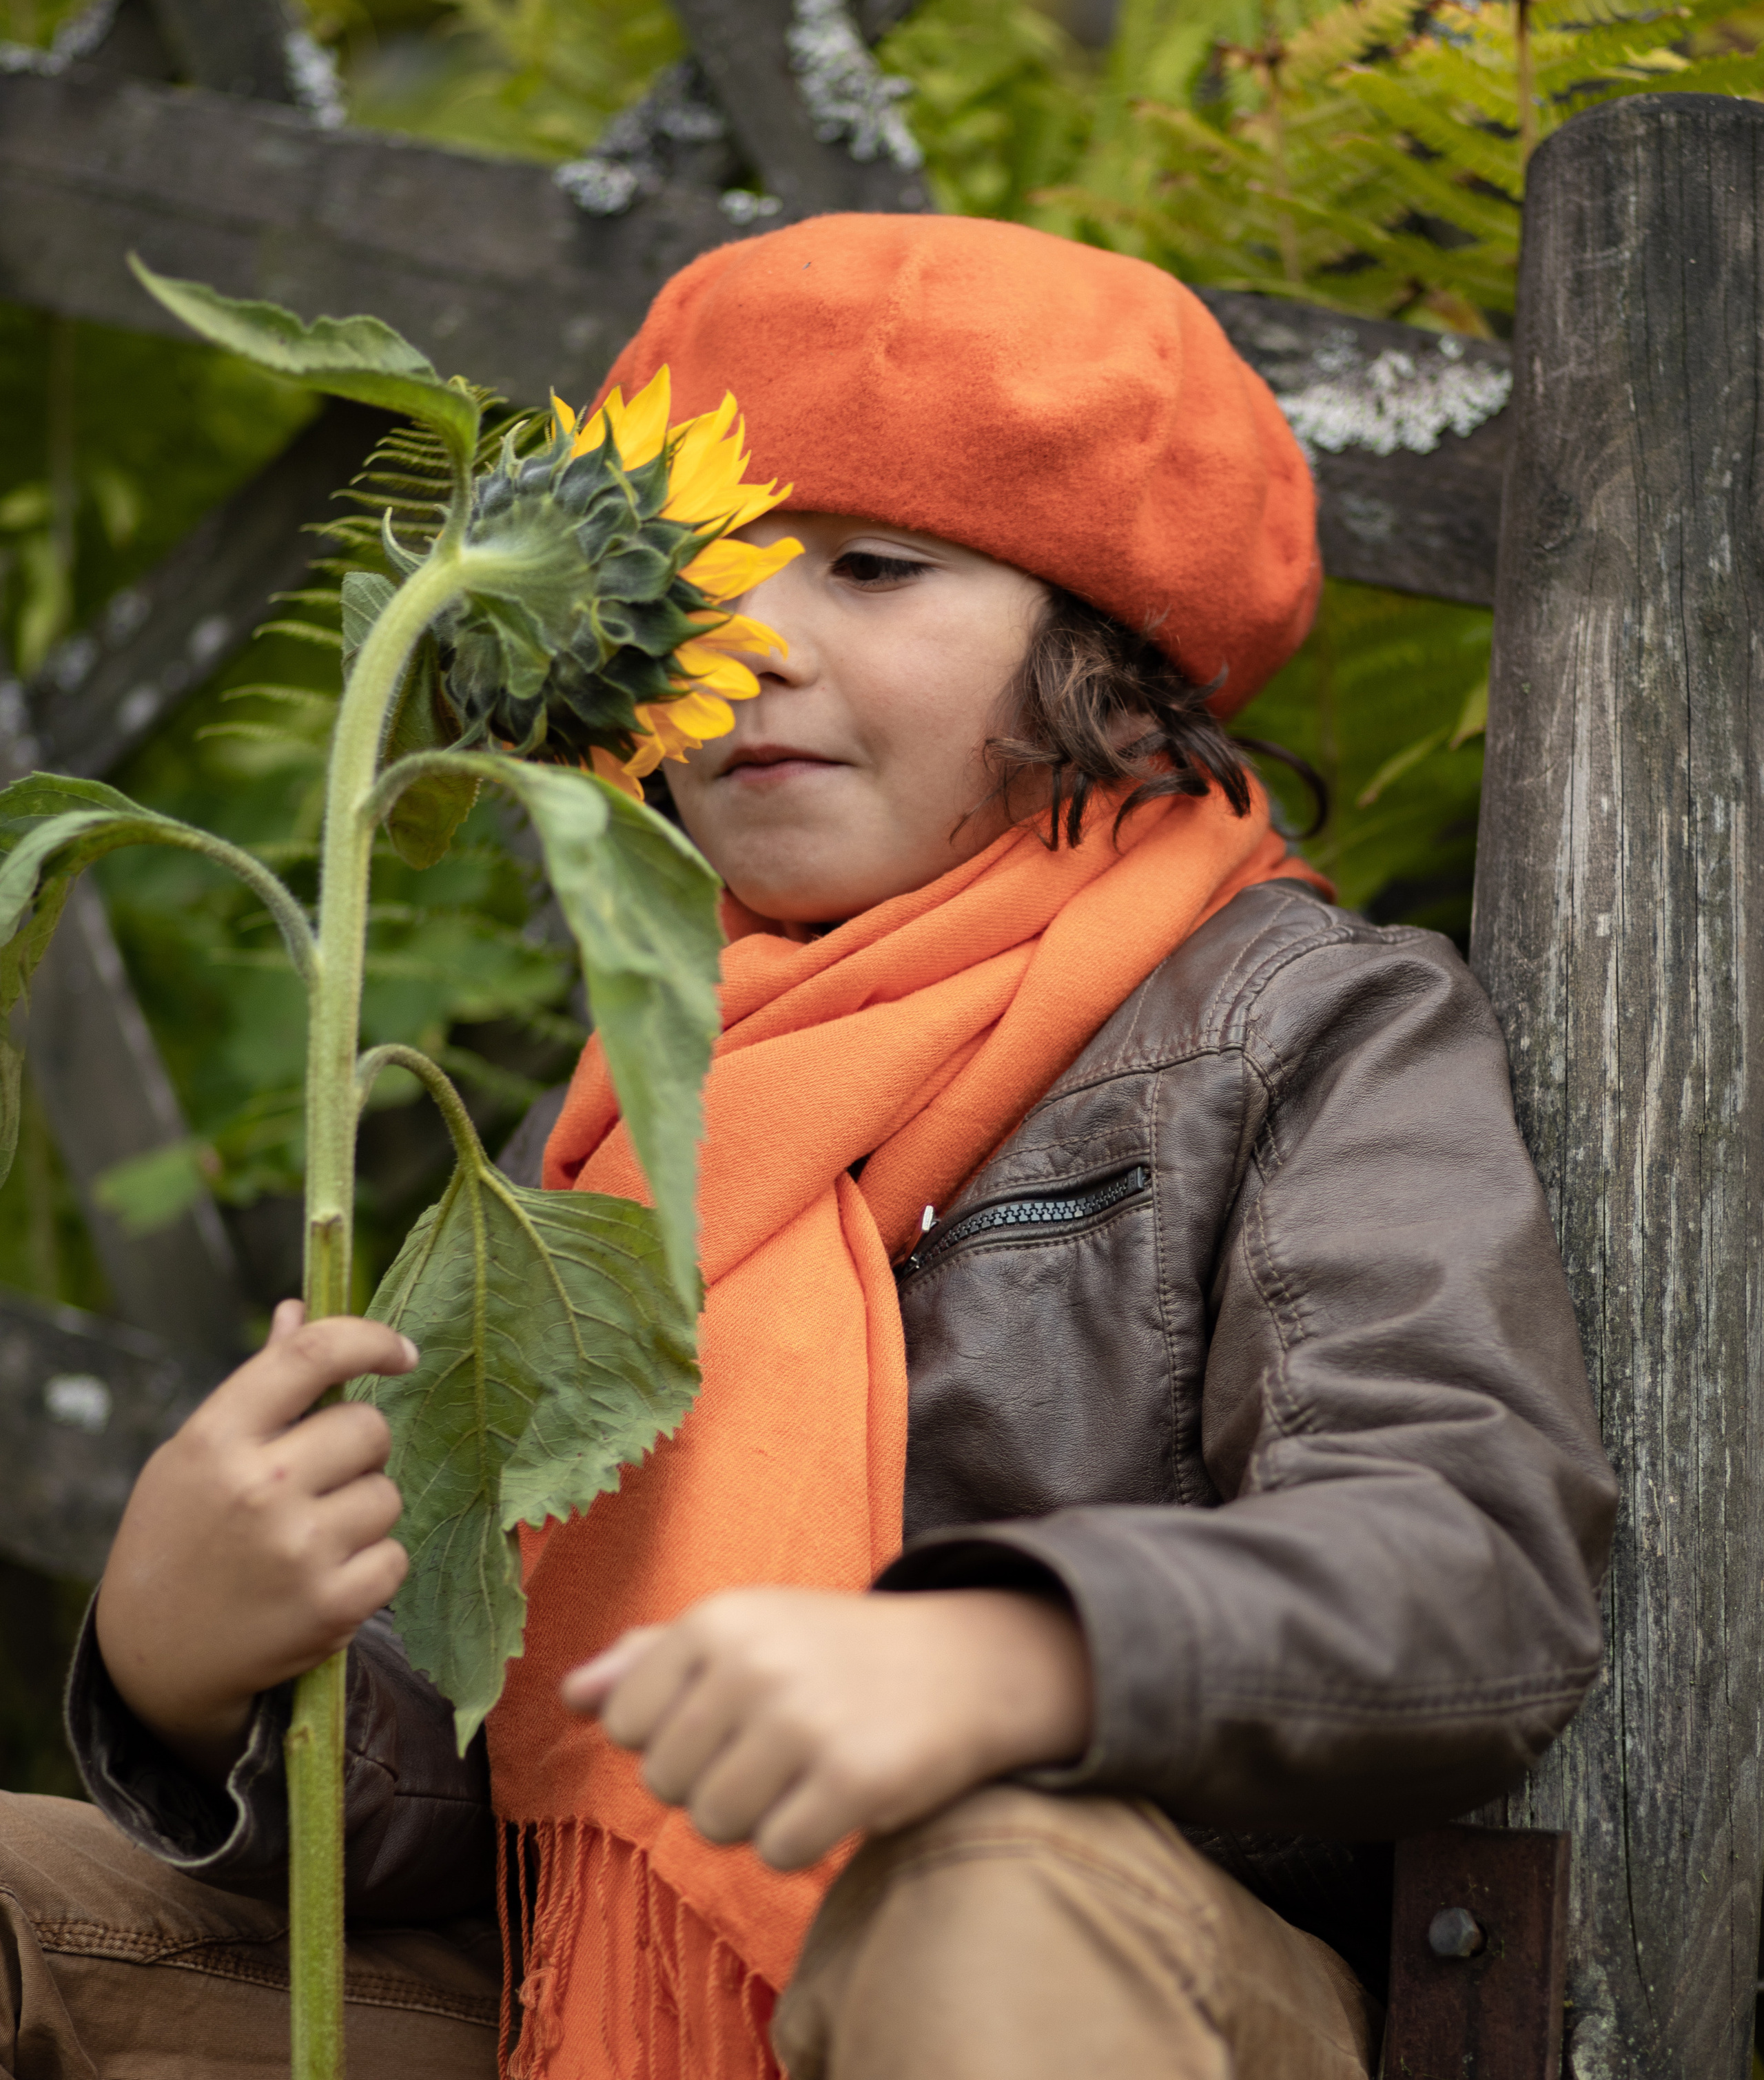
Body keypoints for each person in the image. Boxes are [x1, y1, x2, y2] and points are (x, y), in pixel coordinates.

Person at [0, 214, 1614, 2080]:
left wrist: (1012, 1659)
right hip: (572, 2009)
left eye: (872, 565)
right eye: (694, 581)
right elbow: (463, 1813)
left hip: (1117, 1983)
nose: (749, 644)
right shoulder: (624, 1099)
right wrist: (180, 1665)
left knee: (984, 1875)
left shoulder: (1292, 1026)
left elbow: (1465, 1555)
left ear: (1104, 639)